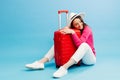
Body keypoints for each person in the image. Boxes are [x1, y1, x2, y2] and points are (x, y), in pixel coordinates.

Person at [25, 12, 96, 78]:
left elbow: (79, 44)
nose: (80, 25)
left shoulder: (87, 29)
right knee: (58, 44)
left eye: (80, 22)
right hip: (80, 58)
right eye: (76, 24)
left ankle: (64, 68)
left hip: (90, 59)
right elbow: (64, 32)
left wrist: (72, 33)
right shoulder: (74, 29)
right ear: (73, 26)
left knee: (84, 45)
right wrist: (66, 30)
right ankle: (41, 62)